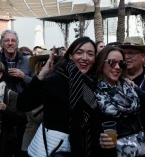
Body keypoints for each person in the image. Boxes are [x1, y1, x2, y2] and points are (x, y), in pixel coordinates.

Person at [16, 36, 98, 157]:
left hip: (82, 149)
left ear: (95, 58)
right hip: (53, 149)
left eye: (90, 54)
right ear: (70, 55)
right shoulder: (56, 79)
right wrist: (41, 75)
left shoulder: (93, 83)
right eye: (79, 52)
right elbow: (22, 104)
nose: (85, 58)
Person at [93, 46, 145, 157]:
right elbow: (87, 130)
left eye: (121, 63)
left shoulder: (129, 86)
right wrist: (99, 140)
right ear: (101, 63)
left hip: (141, 149)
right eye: (112, 62)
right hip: (112, 152)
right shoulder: (93, 91)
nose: (117, 67)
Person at [0, 29, 32, 157]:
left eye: (13, 40)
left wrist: (23, 76)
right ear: (2, 44)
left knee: (21, 150)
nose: (10, 43)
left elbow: (36, 84)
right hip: (3, 114)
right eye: (7, 40)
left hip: (22, 113)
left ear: (17, 44)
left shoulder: (27, 62)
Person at [0, 62, 21, 157]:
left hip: (4, 142)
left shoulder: (11, 94)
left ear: (0, 74)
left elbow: (20, 118)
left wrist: (6, 108)